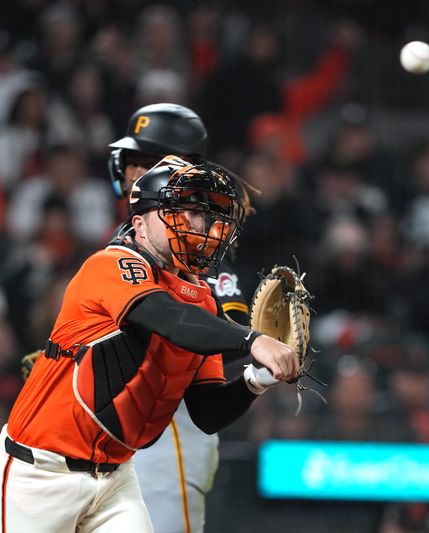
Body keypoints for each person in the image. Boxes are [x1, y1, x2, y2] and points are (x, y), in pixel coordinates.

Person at [0, 156, 298, 532]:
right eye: (188, 211)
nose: (203, 225)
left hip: (116, 479)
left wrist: (255, 380)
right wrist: (253, 339)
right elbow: (165, 316)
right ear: (140, 224)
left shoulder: (202, 302)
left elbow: (207, 413)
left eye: (208, 214)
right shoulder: (111, 264)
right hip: (39, 476)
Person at [108, 103, 251, 533]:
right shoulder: (140, 237)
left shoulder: (199, 249)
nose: (135, 173)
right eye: (133, 162)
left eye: (149, 162)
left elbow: (226, 339)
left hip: (172, 428)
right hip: (125, 431)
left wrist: (254, 343)